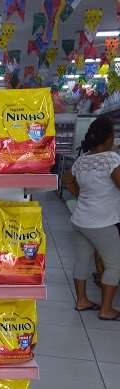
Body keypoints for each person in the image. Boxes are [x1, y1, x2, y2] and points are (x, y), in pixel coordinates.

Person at [66, 116, 120, 320]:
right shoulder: (111, 159)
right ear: (109, 137)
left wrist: (80, 196)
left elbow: (67, 180)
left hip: (80, 220)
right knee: (114, 265)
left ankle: (82, 300)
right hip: (102, 222)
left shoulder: (82, 160)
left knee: (82, 260)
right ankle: (106, 310)